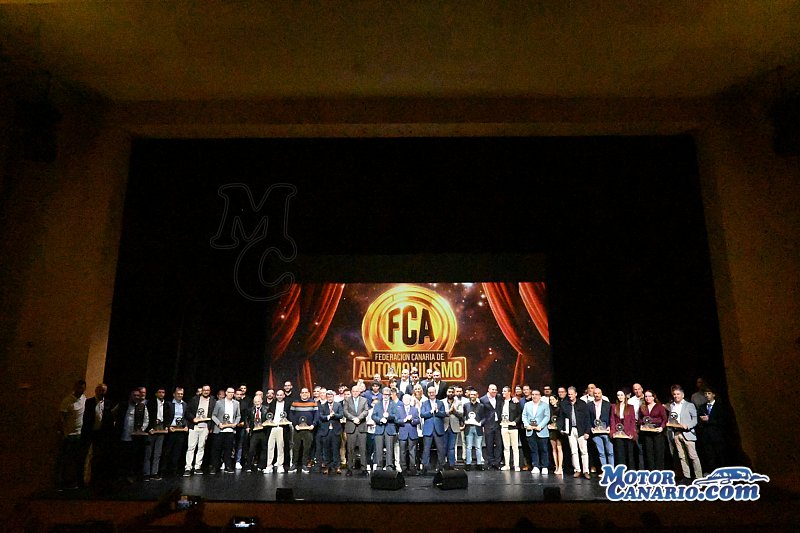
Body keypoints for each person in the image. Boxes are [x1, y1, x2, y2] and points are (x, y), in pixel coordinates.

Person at [80, 383, 114, 487]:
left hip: (101, 433)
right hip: (89, 432)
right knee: (85, 454)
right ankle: (82, 479)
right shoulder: (89, 402)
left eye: (103, 390)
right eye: (100, 390)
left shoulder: (108, 403)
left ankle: (95, 478)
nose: (101, 392)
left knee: (98, 456)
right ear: (96, 390)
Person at [56, 379, 86, 490]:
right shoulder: (67, 400)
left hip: (79, 434)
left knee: (75, 459)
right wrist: (63, 431)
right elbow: (61, 417)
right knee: (64, 459)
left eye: (83, 388)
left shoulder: (84, 399)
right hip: (69, 434)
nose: (81, 390)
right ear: (75, 387)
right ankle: (60, 482)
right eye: (79, 387)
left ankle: (72, 482)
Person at [670, 386, 703, 480]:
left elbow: (695, 419)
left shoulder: (689, 405)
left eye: (678, 394)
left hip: (688, 433)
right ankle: (686, 477)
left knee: (693, 456)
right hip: (677, 433)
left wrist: (687, 426)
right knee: (682, 457)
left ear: (682, 395)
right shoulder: (672, 406)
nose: (676, 396)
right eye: (674, 394)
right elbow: (671, 418)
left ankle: (699, 477)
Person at [558, 386, 591, 479]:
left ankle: (586, 471)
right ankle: (577, 470)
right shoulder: (564, 404)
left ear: (576, 394)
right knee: (574, 451)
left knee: (584, 451)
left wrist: (587, 431)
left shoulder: (582, 404)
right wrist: (561, 429)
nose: (570, 396)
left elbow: (587, 418)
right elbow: (561, 417)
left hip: (581, 430)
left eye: (571, 394)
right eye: (569, 394)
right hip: (570, 430)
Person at [183, 384, 215, 476]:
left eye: (207, 390)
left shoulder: (213, 401)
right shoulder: (195, 399)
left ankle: (197, 467)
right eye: (204, 390)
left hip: (205, 427)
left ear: (210, 391)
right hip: (194, 426)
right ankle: (188, 467)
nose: (206, 392)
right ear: (202, 391)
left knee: (201, 447)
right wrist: (193, 419)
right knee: (191, 447)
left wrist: (210, 427)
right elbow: (187, 412)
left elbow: (214, 414)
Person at [143, 386, 172, 480]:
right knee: (148, 452)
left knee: (158, 452)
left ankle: (154, 472)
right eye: (159, 392)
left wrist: (167, 426)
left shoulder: (166, 404)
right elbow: (147, 416)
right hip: (152, 427)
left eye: (163, 392)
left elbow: (168, 416)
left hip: (161, 427)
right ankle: (146, 473)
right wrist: (149, 428)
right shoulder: (151, 403)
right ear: (156, 393)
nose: (161, 394)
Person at [210, 387, 240, 474]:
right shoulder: (219, 403)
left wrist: (235, 423)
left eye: (232, 392)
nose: (231, 394)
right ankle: (215, 467)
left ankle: (228, 466)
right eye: (229, 392)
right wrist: (219, 423)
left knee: (228, 450)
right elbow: (213, 415)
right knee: (217, 449)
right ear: (226, 393)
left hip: (230, 430)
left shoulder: (236, 403)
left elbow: (238, 416)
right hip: (220, 430)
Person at [698, 386, 728, 471]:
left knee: (720, 454)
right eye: (705, 394)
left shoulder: (719, 406)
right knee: (710, 455)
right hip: (706, 435)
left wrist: (709, 419)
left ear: (713, 395)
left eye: (709, 393)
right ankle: (713, 471)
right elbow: (699, 421)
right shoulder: (702, 407)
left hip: (717, 435)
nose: (707, 395)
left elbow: (723, 420)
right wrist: (702, 420)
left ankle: (723, 471)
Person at [288, 387, 318, 474]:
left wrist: (313, 424)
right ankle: (294, 464)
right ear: (300, 394)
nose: (304, 394)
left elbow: (316, 415)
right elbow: (291, 415)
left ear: (308, 394)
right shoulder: (295, 402)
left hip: (309, 429)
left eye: (306, 392)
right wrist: (295, 425)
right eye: (303, 392)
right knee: (296, 447)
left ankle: (304, 465)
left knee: (307, 448)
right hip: (297, 429)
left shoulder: (313, 402)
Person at [162, 387, 188, 477]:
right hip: (171, 430)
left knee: (177, 452)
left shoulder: (184, 404)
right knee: (167, 451)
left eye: (182, 394)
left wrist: (185, 425)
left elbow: (185, 417)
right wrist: (168, 426)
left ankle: (174, 470)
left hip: (180, 430)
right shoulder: (169, 404)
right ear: (174, 394)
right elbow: (165, 417)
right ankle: (163, 470)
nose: (180, 395)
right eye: (178, 394)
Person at [522, 389, 549, 474]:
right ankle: (536, 466)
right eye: (533, 394)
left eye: (536, 394)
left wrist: (540, 426)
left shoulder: (545, 405)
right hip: (530, 430)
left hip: (541, 431)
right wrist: (527, 425)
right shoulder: (527, 405)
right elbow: (524, 416)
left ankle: (544, 466)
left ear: (540, 396)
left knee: (543, 449)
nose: (534, 396)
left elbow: (547, 417)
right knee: (533, 450)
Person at [343, 384, 369, 476]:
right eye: (353, 391)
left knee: (363, 449)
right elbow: (345, 412)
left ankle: (364, 469)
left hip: (361, 427)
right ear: (351, 392)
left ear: (359, 392)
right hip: (351, 427)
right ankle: (350, 468)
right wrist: (353, 418)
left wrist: (359, 418)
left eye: (357, 391)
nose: (355, 393)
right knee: (350, 449)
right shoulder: (347, 400)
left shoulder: (364, 400)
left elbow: (366, 411)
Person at [421, 385, 447, 474]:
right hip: (428, 429)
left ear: (436, 393)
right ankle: (425, 467)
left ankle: (441, 467)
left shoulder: (440, 403)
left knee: (441, 449)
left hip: (438, 429)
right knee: (426, 449)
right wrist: (431, 411)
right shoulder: (424, 403)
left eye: (433, 392)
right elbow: (422, 414)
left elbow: (443, 414)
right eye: (430, 392)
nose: (431, 394)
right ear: (428, 394)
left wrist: (437, 411)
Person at [639, 390, 667, 470]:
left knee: (658, 452)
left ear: (653, 397)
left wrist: (661, 427)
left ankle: (659, 471)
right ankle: (651, 471)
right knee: (649, 453)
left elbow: (665, 419)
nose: (647, 398)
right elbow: (640, 419)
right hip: (647, 433)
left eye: (649, 396)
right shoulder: (642, 407)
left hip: (657, 433)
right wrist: (641, 425)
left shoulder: (659, 407)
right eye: (646, 396)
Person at [318, 390, 344, 474]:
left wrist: (334, 415)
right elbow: (321, 416)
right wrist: (329, 416)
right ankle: (327, 466)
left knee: (336, 449)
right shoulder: (322, 406)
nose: (329, 398)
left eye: (331, 396)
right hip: (326, 431)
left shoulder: (338, 405)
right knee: (326, 449)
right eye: (328, 397)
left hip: (335, 430)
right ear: (326, 397)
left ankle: (337, 466)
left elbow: (341, 415)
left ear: (333, 397)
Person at [372, 386, 398, 471]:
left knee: (389, 448)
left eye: (387, 394)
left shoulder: (393, 404)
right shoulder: (378, 404)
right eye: (384, 394)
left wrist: (389, 416)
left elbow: (395, 416)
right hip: (379, 428)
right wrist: (380, 420)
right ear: (382, 395)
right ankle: (379, 466)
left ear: (390, 395)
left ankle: (389, 466)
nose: (386, 396)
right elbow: (373, 416)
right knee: (378, 448)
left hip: (389, 429)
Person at [610, 390, 637, 469]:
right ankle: (621, 470)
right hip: (618, 433)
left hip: (628, 432)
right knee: (620, 453)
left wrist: (632, 432)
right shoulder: (614, 407)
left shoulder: (630, 407)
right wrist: (613, 432)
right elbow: (612, 420)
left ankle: (630, 471)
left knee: (629, 453)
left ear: (625, 396)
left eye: (621, 395)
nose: (620, 397)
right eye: (618, 395)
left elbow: (632, 421)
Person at [265, 389, 289, 473]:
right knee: (270, 447)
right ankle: (269, 465)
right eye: (278, 395)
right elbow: (268, 415)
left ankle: (280, 465)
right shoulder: (272, 404)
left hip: (281, 428)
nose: (279, 396)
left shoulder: (287, 404)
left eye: (281, 395)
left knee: (280, 447)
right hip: (272, 427)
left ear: (284, 396)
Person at [395, 394, 420, 475]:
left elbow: (418, 420)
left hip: (412, 433)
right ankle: (403, 469)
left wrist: (412, 420)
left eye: (408, 399)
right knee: (402, 452)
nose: (406, 401)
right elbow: (396, 420)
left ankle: (413, 469)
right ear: (402, 400)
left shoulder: (415, 409)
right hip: (403, 433)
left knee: (412, 452)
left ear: (410, 400)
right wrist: (404, 420)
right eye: (405, 399)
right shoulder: (398, 409)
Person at [589, 387, 614, 467]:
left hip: (606, 431)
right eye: (595, 393)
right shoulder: (589, 405)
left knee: (610, 452)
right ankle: (605, 469)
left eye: (598, 393)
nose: (597, 395)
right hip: (595, 432)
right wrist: (590, 427)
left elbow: (611, 417)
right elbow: (587, 418)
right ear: (593, 394)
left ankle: (611, 469)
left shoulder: (608, 404)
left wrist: (610, 426)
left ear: (601, 394)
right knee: (601, 453)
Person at [499, 385, 523, 471]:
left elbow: (520, 414)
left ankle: (516, 465)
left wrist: (515, 422)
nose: (503, 393)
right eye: (502, 391)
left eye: (505, 391)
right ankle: (507, 465)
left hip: (513, 427)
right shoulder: (501, 402)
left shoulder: (515, 402)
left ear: (509, 392)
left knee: (515, 447)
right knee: (506, 447)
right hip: (504, 427)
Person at [462, 388, 485, 471]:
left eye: (474, 395)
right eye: (471, 394)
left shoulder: (481, 406)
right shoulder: (466, 405)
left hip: (478, 428)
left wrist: (480, 423)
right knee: (468, 447)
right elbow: (463, 416)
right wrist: (465, 421)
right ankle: (468, 463)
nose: (472, 396)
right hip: (469, 428)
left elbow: (484, 417)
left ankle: (479, 464)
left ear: (477, 396)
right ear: (469, 395)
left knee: (478, 447)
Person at [246, 393, 269, 472]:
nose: (257, 403)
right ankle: (249, 466)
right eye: (255, 402)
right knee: (251, 449)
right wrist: (247, 427)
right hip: (254, 431)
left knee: (264, 448)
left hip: (263, 431)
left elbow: (269, 418)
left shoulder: (266, 409)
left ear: (261, 401)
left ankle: (261, 466)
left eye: (258, 401)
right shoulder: (250, 410)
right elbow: (246, 419)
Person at [627, 383, 646, 468]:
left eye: (639, 389)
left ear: (642, 389)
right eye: (635, 389)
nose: (637, 391)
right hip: (635, 426)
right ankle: (640, 469)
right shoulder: (631, 401)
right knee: (638, 448)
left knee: (647, 448)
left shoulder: (648, 397)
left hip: (647, 426)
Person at [547, 394, 564, 475]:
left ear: (557, 400)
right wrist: (549, 425)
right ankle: (556, 466)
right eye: (550, 400)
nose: (551, 401)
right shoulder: (549, 409)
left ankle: (560, 467)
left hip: (558, 431)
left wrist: (558, 426)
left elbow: (562, 419)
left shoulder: (560, 408)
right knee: (553, 449)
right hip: (552, 431)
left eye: (553, 399)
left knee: (559, 448)